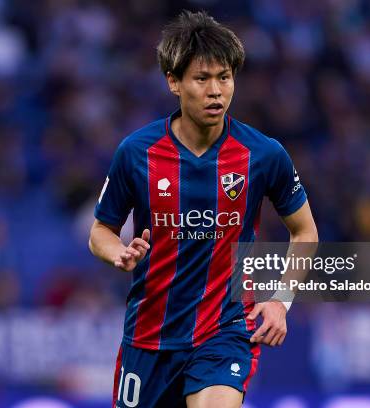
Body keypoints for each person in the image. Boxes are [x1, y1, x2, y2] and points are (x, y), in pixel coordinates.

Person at [89, 10, 318, 408]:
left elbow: (306, 232)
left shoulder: (263, 154)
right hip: (149, 336)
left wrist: (282, 300)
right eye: (202, 78)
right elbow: (99, 232)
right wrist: (119, 254)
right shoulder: (137, 152)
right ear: (173, 82)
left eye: (224, 77)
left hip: (225, 330)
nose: (216, 91)